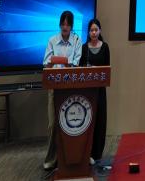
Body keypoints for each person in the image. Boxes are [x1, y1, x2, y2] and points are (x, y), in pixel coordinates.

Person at [42, 10, 82, 170]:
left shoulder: (77, 40)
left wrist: (66, 62)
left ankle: (68, 159)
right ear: (59, 24)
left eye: (68, 24)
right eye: (63, 24)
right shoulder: (52, 40)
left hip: (70, 87)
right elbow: (46, 64)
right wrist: (54, 62)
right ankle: (51, 159)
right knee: (53, 124)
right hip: (54, 87)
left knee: (71, 123)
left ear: (71, 26)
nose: (65, 27)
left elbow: (76, 63)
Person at [79, 18, 110, 164]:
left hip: (100, 90)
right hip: (87, 90)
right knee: (87, 119)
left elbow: (107, 69)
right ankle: (86, 151)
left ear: (100, 31)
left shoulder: (105, 47)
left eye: (96, 30)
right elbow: (80, 68)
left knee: (100, 119)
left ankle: (97, 152)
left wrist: (96, 70)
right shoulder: (84, 48)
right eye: (91, 30)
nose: (94, 32)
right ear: (88, 32)